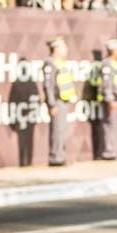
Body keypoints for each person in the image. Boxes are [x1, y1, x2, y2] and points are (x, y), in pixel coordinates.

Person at [43, 37, 78, 166]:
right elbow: (48, 85)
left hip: (63, 101)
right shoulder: (50, 63)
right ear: (56, 48)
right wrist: (51, 103)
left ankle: (60, 156)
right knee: (57, 130)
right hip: (56, 102)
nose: (66, 49)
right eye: (63, 47)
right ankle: (55, 158)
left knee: (62, 130)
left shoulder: (60, 63)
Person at [97, 38, 117, 160]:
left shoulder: (116, 63)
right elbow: (106, 84)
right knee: (109, 126)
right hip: (111, 101)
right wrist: (109, 100)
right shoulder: (107, 64)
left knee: (115, 127)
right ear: (112, 50)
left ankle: (113, 152)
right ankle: (109, 153)